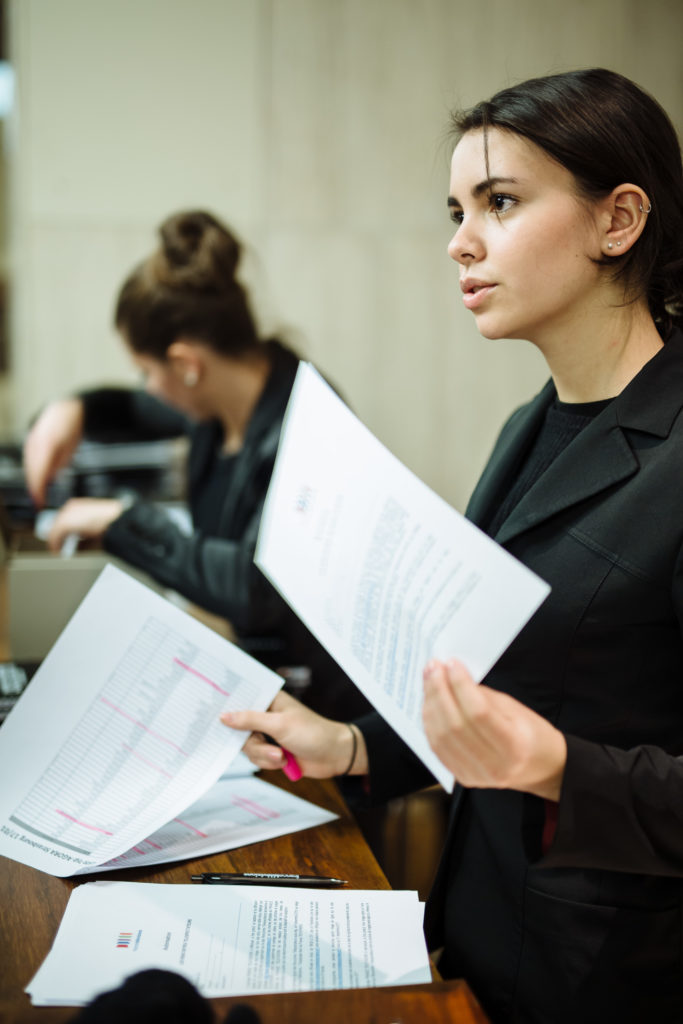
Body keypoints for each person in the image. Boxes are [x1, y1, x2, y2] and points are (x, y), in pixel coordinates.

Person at [220, 68, 683, 1023]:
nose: (458, 242)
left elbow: (540, 739)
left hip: (615, 971)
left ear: (618, 221)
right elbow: (497, 682)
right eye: (455, 209)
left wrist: (557, 764)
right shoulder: (530, 423)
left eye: (499, 204)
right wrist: (352, 745)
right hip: (485, 924)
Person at [23, 210, 370, 718]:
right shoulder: (217, 405)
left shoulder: (309, 426)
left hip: (323, 711)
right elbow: (128, 409)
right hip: (255, 677)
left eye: (146, 370)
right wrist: (70, 408)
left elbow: (255, 588)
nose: (146, 387)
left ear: (187, 365)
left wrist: (119, 519)